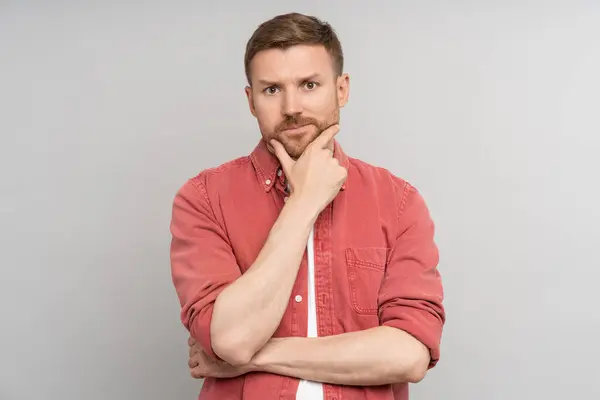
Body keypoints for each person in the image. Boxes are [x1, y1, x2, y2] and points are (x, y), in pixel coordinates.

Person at [169, 12, 445, 400]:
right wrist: (304, 202)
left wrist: (253, 357)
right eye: (271, 90)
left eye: (309, 85)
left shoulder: (398, 202)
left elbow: (408, 355)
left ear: (342, 89)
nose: (291, 107)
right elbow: (231, 339)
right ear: (250, 101)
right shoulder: (203, 199)